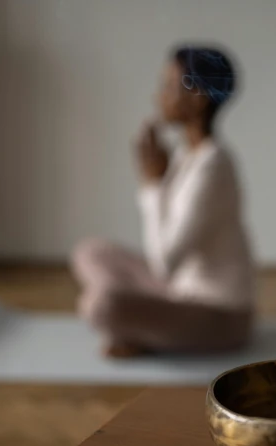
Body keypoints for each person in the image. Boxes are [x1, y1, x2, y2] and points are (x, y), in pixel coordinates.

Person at [70, 45, 255, 357]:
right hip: (178, 291)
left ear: (198, 98)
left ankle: (138, 330)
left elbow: (164, 261)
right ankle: (143, 327)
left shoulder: (214, 166)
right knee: (90, 252)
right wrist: (162, 180)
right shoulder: (186, 156)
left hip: (219, 315)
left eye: (169, 86)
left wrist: (152, 186)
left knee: (101, 304)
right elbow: (167, 264)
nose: (159, 96)